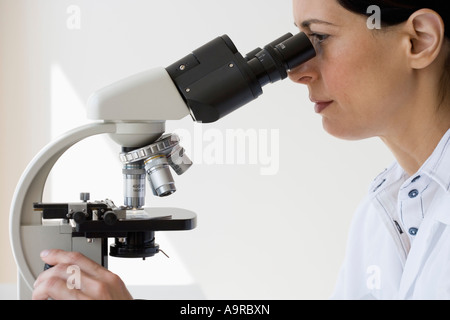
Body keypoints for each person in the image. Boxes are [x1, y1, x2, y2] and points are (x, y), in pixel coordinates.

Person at [32, 0, 450, 300]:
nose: (297, 72)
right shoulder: (384, 210)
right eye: (296, 44)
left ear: (418, 41)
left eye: (319, 37)